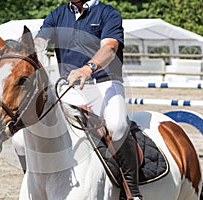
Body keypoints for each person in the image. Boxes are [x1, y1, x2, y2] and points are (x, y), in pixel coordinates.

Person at [34, 0, 142, 199]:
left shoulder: (108, 13)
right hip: (69, 86)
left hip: (105, 83)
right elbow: (41, 40)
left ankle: (132, 191)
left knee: (117, 126)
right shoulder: (57, 14)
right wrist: (29, 49)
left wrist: (88, 68)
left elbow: (110, 48)